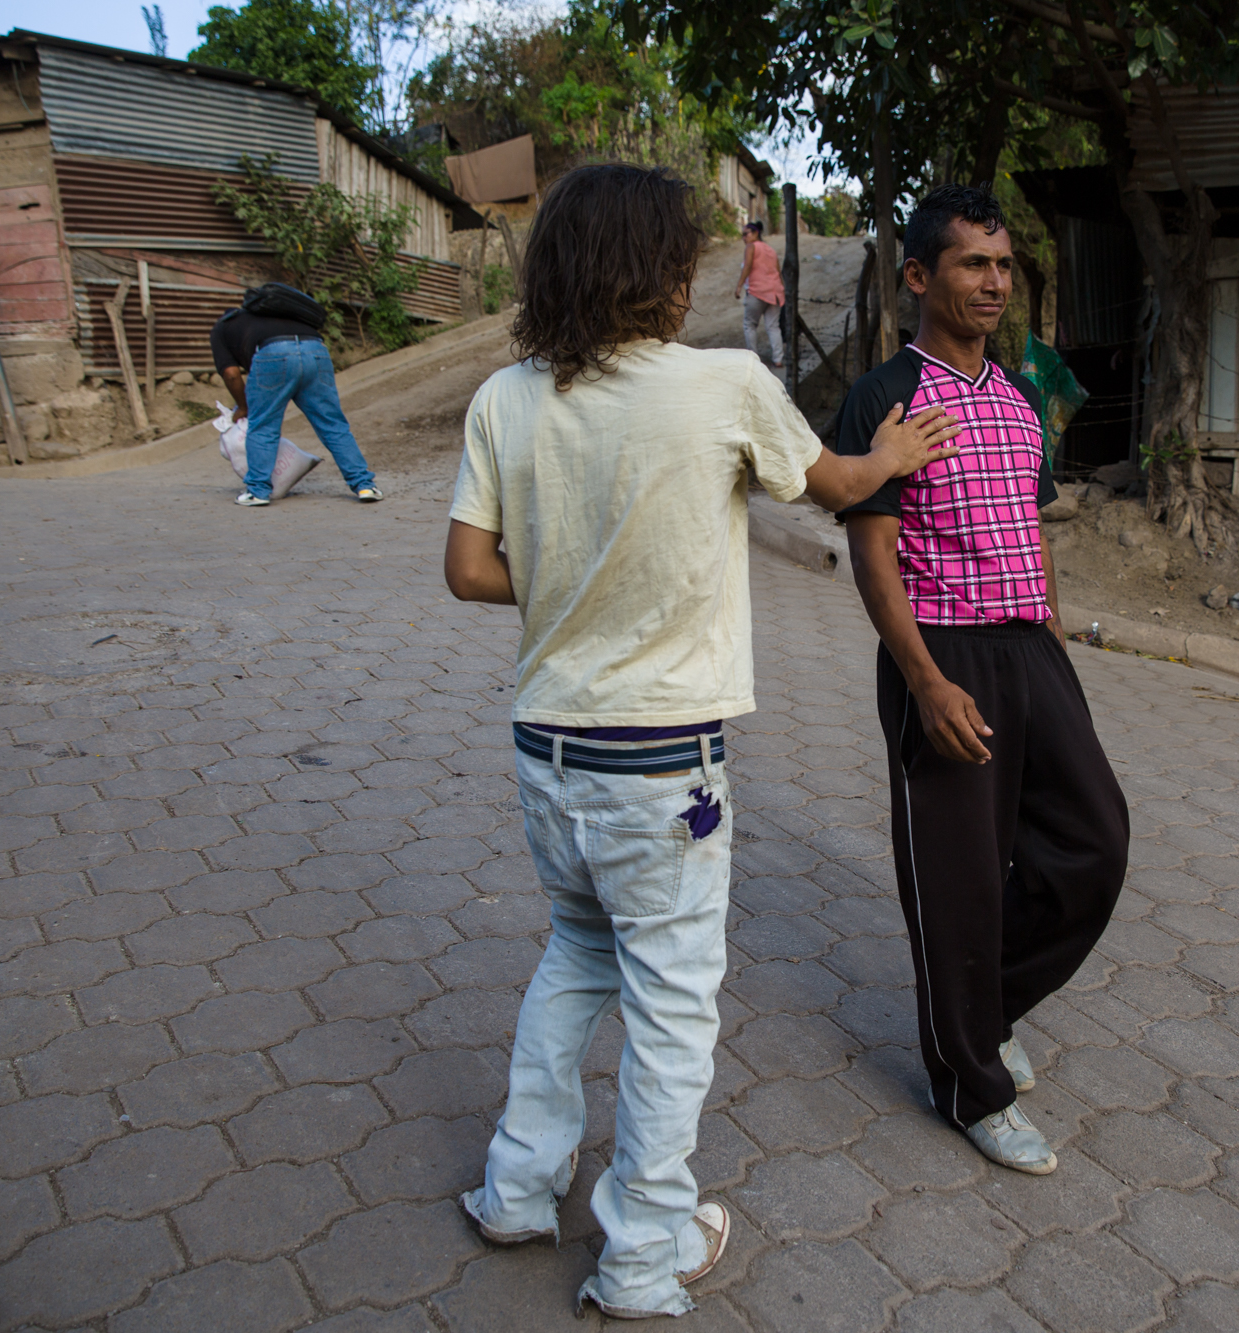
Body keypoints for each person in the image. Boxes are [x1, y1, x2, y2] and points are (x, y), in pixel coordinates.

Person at [443, 163, 961, 1319]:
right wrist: (888, 460)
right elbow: (830, 486)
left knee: (573, 954)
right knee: (673, 1006)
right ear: (665, 279)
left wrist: (572, 574)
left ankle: (517, 1189)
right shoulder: (723, 385)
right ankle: (640, 1252)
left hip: (546, 756)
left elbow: (469, 569)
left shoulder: (504, 397)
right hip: (660, 769)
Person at [834, 184, 1131, 1176]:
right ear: (919, 277)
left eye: (1001, 264)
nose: (993, 282)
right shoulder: (884, 400)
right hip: (941, 655)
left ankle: (984, 1005)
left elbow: (1029, 526)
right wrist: (922, 681)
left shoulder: (1015, 396)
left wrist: (1047, 629)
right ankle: (968, 1082)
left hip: (1026, 650)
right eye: (971, 263)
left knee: (1092, 839)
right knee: (958, 882)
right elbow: (874, 560)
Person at [210, 297, 382, 507]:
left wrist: (243, 406)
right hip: (315, 350)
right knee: (332, 423)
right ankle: (365, 486)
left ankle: (258, 491)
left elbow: (231, 374)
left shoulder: (221, 329)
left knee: (263, 425)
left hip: (273, 354)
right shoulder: (269, 314)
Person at [735, 219, 786, 368]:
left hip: (757, 291)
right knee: (773, 326)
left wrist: (739, 286)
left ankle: (753, 359)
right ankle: (778, 359)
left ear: (756, 233)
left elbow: (748, 266)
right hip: (775, 293)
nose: (744, 238)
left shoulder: (751, 247)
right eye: (743, 235)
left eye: (746, 234)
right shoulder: (771, 250)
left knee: (749, 325)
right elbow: (778, 272)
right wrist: (782, 291)